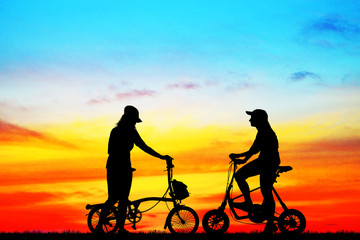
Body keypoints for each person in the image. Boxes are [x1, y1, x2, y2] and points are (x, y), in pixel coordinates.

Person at [97, 105, 172, 233]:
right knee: (115, 198)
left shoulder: (127, 131)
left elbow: (143, 146)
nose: (135, 124)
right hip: (117, 167)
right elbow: (112, 150)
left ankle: (117, 228)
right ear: (128, 119)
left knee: (121, 199)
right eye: (133, 121)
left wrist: (161, 156)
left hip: (121, 167)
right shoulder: (120, 131)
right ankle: (102, 226)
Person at [229, 109, 280, 234]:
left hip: (267, 163)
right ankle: (263, 216)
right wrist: (242, 158)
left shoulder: (266, 132)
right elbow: (254, 149)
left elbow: (254, 151)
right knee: (263, 189)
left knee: (265, 190)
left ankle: (254, 208)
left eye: (253, 118)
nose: (250, 120)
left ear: (260, 119)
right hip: (264, 162)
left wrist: (240, 157)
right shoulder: (262, 131)